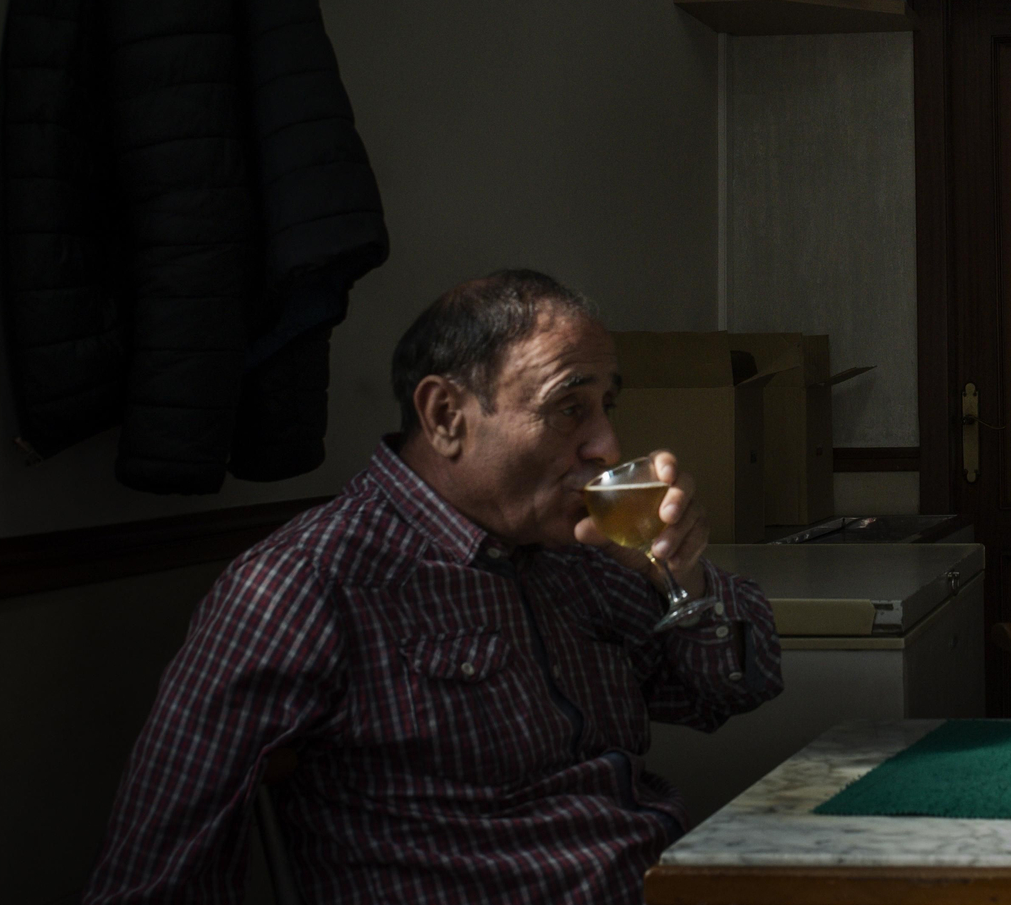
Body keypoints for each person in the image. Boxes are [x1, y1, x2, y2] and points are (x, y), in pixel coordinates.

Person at [83, 270, 783, 905]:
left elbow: (729, 689)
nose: (606, 443)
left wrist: (680, 574)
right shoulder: (305, 584)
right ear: (447, 415)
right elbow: (152, 875)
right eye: (570, 407)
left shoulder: (577, 552)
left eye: (606, 404)